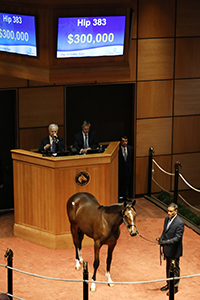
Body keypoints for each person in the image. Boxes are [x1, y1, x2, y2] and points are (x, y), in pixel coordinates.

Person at [158, 203, 184, 295]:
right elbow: (165, 231)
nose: (168, 213)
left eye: (171, 211)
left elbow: (178, 238)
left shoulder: (180, 223)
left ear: (176, 211)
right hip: (167, 249)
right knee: (168, 267)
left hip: (175, 250)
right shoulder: (166, 219)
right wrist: (161, 238)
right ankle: (169, 284)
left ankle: (175, 287)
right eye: (168, 210)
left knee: (175, 268)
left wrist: (166, 242)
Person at [118, 135, 133, 202]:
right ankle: (119, 196)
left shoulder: (130, 149)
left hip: (128, 169)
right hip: (120, 170)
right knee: (120, 183)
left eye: (126, 141)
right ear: (121, 142)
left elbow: (131, 159)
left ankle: (126, 196)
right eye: (123, 141)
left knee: (126, 183)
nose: (125, 143)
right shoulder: (118, 149)